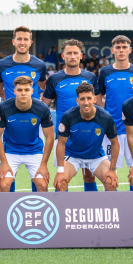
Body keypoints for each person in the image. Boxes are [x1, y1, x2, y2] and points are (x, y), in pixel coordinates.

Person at [0, 26, 47, 192]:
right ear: (13, 42)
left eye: (25, 39)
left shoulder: (39, 65)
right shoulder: (2, 65)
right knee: (8, 173)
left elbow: (47, 90)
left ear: (30, 42)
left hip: (33, 123)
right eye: (19, 39)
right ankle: (8, 208)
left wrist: (39, 108)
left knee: (38, 177)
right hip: (10, 120)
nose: (22, 42)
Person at [43, 39, 101, 192]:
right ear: (63, 56)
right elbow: (43, 106)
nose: (72, 56)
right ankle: (61, 213)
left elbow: (100, 106)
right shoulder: (55, 79)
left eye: (75, 53)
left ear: (81, 56)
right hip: (64, 137)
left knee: (89, 176)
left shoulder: (91, 77)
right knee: (62, 180)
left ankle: (91, 211)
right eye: (69, 53)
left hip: (89, 134)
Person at [53, 82, 119, 192]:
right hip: (73, 156)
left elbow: (115, 143)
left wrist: (112, 169)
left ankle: (108, 209)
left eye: (89, 98)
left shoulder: (105, 117)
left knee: (111, 182)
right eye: (82, 99)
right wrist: (60, 171)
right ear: (77, 101)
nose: (86, 102)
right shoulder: (69, 116)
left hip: (95, 156)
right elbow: (61, 143)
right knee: (61, 184)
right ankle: (61, 209)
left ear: (94, 99)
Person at [0, 76, 54, 192]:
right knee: (4, 185)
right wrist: (4, 163)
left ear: (32, 91)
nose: (23, 93)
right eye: (20, 90)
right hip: (11, 151)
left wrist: (44, 164)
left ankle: (40, 210)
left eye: (26, 90)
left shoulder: (42, 109)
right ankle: (3, 210)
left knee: (43, 185)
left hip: (34, 150)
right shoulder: (4, 108)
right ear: (14, 91)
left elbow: (50, 137)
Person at [97, 35, 133, 171]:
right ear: (112, 50)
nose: (121, 50)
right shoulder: (105, 71)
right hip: (112, 130)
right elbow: (99, 97)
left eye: (124, 47)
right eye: (118, 48)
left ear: (129, 50)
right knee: (109, 172)